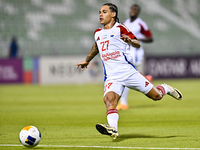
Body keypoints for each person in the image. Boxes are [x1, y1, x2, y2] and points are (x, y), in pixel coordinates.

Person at [76, 3, 182, 139]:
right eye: (99, 12)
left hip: (128, 72)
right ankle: (113, 129)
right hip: (112, 76)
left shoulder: (120, 28)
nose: (100, 15)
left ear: (113, 14)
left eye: (104, 12)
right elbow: (96, 46)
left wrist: (130, 40)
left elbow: (137, 42)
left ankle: (165, 88)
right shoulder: (98, 33)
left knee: (156, 96)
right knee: (109, 101)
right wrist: (87, 60)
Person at [117, 4, 153, 110]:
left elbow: (150, 38)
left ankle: (123, 103)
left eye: (135, 9)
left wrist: (137, 39)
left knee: (127, 75)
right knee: (127, 75)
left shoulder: (141, 23)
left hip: (136, 51)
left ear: (138, 12)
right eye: (132, 9)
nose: (133, 11)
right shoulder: (125, 24)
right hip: (126, 52)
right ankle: (145, 78)